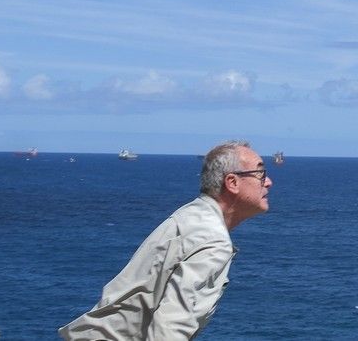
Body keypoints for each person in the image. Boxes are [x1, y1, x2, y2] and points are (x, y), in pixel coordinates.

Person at [59, 141, 272, 340]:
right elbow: (170, 328)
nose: (268, 182)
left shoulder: (191, 216)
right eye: (260, 173)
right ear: (232, 182)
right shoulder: (213, 239)